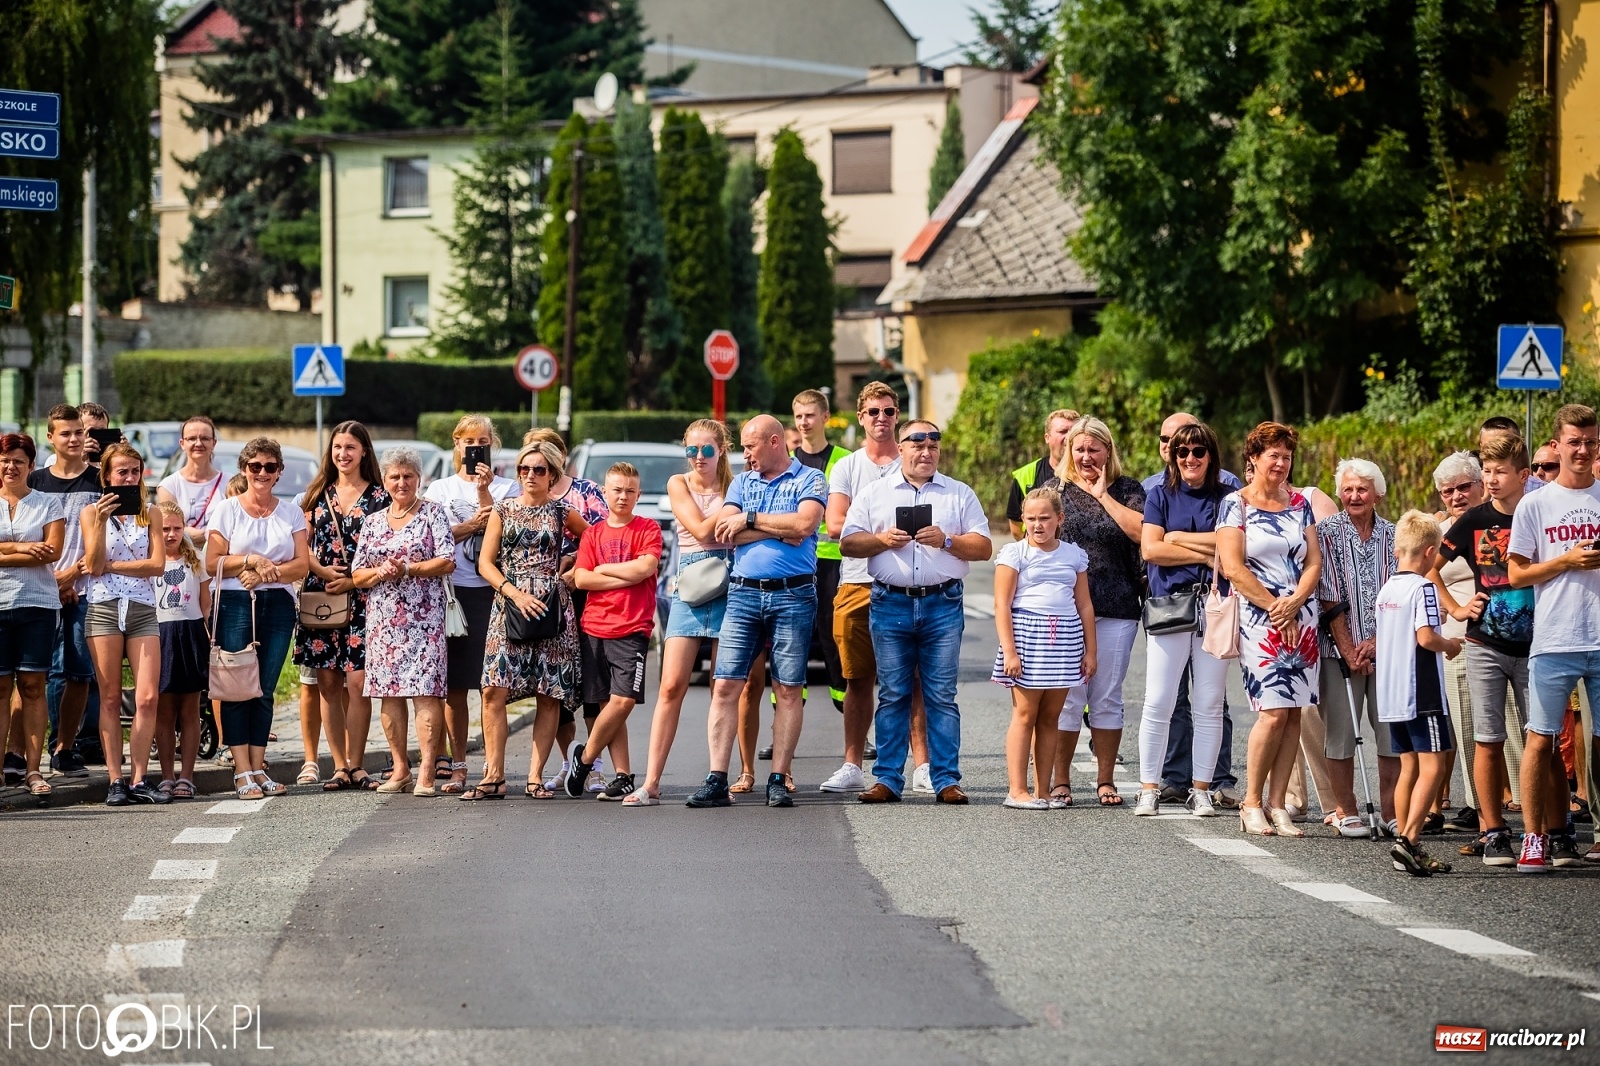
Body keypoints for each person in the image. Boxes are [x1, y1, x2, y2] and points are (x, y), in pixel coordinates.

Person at [842, 418, 992, 804]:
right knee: (893, 693)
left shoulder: (958, 493)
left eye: (933, 446)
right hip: (890, 601)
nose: (926, 452)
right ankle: (888, 780)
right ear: (902, 447)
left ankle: (945, 780)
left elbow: (983, 546)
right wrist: (880, 540)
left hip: (942, 602)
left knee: (941, 694)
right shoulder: (876, 493)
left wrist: (948, 540)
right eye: (917, 444)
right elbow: (848, 542)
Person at [686, 414, 826, 810]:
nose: (744, 454)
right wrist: (778, 528)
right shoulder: (743, 482)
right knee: (726, 685)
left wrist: (750, 519)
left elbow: (804, 523)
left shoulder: (810, 479)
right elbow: (721, 531)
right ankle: (717, 777)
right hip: (744, 594)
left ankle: (778, 778)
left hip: (794, 595)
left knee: (787, 689)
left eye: (751, 446)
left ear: (776, 442)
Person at [822, 382, 929, 794]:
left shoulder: (914, 459)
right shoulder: (848, 466)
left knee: (914, 677)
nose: (880, 419)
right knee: (858, 678)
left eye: (888, 411)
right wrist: (885, 533)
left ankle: (921, 766)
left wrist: (870, 525)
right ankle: (852, 763)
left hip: (906, 582)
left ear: (897, 415)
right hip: (857, 581)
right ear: (861, 418)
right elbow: (836, 525)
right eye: (872, 412)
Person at [1507, 403, 1600, 872]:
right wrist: (1566, 561)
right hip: (1555, 639)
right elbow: (1516, 573)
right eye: (1574, 442)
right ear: (1557, 445)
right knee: (1540, 741)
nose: (1582, 450)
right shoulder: (1536, 504)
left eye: (1590, 441)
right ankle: (1534, 838)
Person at [1219, 422, 1323, 836]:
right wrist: (1278, 608)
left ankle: (1279, 804)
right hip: (1261, 619)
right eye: (1272, 456)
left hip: (1303, 613)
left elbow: (1314, 560)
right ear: (1254, 460)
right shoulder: (1235, 504)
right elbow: (1233, 567)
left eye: (1286, 456)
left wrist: (1297, 602)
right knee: (1273, 711)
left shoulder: (1301, 502)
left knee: (1295, 711)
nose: (1280, 463)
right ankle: (1251, 802)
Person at [624, 420, 735, 807]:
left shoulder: (738, 485)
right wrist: (733, 518)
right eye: (692, 450)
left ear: (722, 449)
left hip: (730, 585)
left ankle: (727, 776)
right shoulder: (678, 483)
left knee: (728, 687)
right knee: (671, 685)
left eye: (707, 450)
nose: (699, 457)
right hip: (689, 587)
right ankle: (651, 782)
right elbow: (703, 532)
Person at [1432, 434, 1531, 865]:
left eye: (1496, 472)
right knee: (1485, 737)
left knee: (1535, 739)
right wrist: (1456, 606)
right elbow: (1427, 567)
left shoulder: (1535, 513)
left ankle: (1545, 829)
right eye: (1485, 472)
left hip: (1535, 642)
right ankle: (1492, 828)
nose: (1489, 480)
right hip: (1478, 640)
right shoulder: (1470, 521)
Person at [475, 440, 590, 800]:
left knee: (548, 692)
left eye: (539, 470)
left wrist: (572, 569)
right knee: (493, 688)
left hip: (552, 607)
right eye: (524, 469)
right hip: (509, 603)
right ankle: (494, 774)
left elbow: (593, 540)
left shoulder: (562, 512)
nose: (530, 475)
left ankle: (535, 776)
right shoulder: (503, 510)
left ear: (553, 475)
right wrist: (514, 593)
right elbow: (485, 563)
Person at [1043, 417, 1146, 808]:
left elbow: (1141, 533)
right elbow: (1036, 540)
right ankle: (1061, 781)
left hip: (1117, 605)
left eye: (1094, 449)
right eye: (1079, 449)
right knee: (1069, 697)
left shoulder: (1129, 489)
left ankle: (1105, 780)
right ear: (1069, 451)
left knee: (1106, 697)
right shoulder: (1055, 490)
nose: (1086, 457)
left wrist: (1103, 496)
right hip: (1065, 610)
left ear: (1108, 451)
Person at [1144, 413, 1243, 808]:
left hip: (1215, 605)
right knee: (1159, 700)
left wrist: (1179, 537)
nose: (1189, 457)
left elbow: (1233, 550)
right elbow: (1151, 549)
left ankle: (1201, 790)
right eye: (1181, 451)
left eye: (1198, 451)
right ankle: (1149, 788)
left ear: (1210, 454)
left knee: (1209, 701)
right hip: (1170, 604)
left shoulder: (1227, 497)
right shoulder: (1159, 494)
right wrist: (1209, 549)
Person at [206, 437, 310, 800]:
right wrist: (252, 561)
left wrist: (268, 573)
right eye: (255, 467)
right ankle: (241, 770)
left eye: (269, 467)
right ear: (244, 470)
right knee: (238, 687)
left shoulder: (290, 513)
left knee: (264, 687)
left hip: (278, 604)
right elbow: (212, 560)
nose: (262, 473)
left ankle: (259, 765)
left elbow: (301, 564)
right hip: (235, 602)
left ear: (279, 472)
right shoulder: (227, 510)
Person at [347, 447, 454, 796]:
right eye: (394, 476)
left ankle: (426, 767)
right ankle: (400, 767)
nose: (401, 482)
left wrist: (407, 568)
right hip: (383, 622)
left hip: (424, 620)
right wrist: (380, 572)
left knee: (424, 693)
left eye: (408, 475)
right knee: (388, 695)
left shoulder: (432, 513)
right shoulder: (373, 521)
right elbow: (357, 574)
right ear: (384, 480)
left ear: (419, 478)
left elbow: (447, 561)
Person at [293, 421, 388, 792]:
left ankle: (358, 761)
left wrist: (354, 579)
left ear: (364, 451)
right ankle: (339, 765)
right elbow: (301, 546)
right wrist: (319, 568)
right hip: (323, 595)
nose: (343, 454)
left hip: (364, 595)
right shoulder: (317, 494)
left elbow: (386, 552)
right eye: (337, 447)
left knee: (358, 681)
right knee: (327, 683)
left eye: (350, 447)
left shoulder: (381, 497)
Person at [426, 415, 516, 794]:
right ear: (457, 443)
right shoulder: (438, 489)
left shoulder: (509, 487)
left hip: (493, 593)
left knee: (493, 687)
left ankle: (494, 770)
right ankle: (459, 766)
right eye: (469, 441)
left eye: (483, 441)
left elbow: (509, 535)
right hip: (451, 593)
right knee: (455, 687)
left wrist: (484, 494)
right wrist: (467, 527)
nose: (475, 447)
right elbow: (429, 537)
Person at [523, 428, 613, 793]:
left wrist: (576, 561)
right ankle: (566, 763)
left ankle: (595, 764)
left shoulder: (586, 493)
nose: (535, 470)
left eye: (545, 457)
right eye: (530, 460)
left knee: (592, 685)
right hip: (543, 604)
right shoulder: (524, 495)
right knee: (553, 688)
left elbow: (603, 535)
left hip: (582, 597)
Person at [565, 462, 663, 799]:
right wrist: (621, 572)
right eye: (616, 490)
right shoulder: (593, 534)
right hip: (593, 627)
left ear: (638, 494)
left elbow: (646, 567)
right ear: (605, 492)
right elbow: (582, 578)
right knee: (602, 702)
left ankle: (585, 758)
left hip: (632, 627)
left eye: (630, 491)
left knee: (622, 702)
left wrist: (603, 569)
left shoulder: (647, 528)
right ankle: (622, 774)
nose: (623, 496)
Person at [993, 487, 1093, 809]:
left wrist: (1090, 651)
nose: (1037, 525)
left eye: (1045, 518)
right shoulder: (1015, 554)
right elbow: (1002, 605)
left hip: (1064, 641)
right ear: (1023, 520)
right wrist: (1010, 651)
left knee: (1051, 717)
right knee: (1025, 714)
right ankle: (1016, 790)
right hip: (1026, 639)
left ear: (1059, 519)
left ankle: (1043, 791)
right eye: (1031, 518)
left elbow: (1085, 605)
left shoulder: (1073, 555)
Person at [1317, 458, 1400, 837]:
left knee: (1389, 732)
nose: (1354, 496)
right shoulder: (1326, 533)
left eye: (1362, 489)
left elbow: (1401, 592)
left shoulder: (1394, 535)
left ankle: (1392, 811)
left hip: (1388, 650)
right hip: (1338, 652)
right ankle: (1345, 809)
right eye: (1348, 489)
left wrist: (1378, 643)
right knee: (1341, 733)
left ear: (1378, 494)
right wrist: (1350, 649)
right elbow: (1329, 596)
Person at [83, 443, 168, 806]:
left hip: (142, 607)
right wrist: (102, 523)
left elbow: (158, 565)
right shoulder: (91, 512)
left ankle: (139, 777)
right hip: (103, 606)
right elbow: (92, 562)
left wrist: (114, 567)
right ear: (107, 476)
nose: (130, 478)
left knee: (147, 697)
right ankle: (115, 779)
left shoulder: (151, 513)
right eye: (122, 472)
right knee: (111, 697)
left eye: (135, 471)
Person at [1379, 511, 1463, 876]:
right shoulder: (1424, 587)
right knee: (1435, 762)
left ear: (1399, 549)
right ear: (1431, 553)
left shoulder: (1388, 588)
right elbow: (1426, 637)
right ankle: (1408, 840)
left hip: (1391, 690)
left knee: (1408, 766)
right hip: (1421, 689)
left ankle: (1406, 840)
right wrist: (1451, 644)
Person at [30, 405, 100, 776]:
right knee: (32, 673)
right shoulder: (36, 481)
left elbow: (105, 539)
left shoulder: (100, 480)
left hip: (85, 589)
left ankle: (64, 747)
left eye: (78, 432)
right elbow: (27, 533)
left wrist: (72, 576)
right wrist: (54, 580)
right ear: (51, 437)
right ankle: (22, 753)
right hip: (40, 588)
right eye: (66, 433)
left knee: (78, 671)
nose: (74, 439)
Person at [0, 433, 64, 799]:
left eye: (18, 461)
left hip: (37, 603)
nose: (11, 466)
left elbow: (51, 551)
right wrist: (23, 545)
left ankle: (33, 769)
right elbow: (37, 549)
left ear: (30, 466)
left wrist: (4, 552)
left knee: (33, 687)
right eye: (5, 460)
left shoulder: (47, 503)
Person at [791, 389, 852, 714]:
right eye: (799, 416)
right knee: (793, 642)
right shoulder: (787, 460)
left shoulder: (845, 459)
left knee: (834, 640)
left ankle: (850, 726)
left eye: (810, 415)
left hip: (834, 564)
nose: (804, 422)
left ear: (826, 417)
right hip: (797, 562)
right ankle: (781, 726)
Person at [152, 501, 209, 799]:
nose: (171, 534)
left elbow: (205, 601)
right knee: (164, 708)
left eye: (177, 528)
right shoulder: (149, 559)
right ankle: (166, 775)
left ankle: (187, 775)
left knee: (189, 708)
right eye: (164, 529)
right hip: (159, 634)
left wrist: (204, 632)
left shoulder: (194, 560)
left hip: (190, 632)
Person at [1007, 409, 1078, 541]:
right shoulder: (1025, 475)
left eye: (1073, 432)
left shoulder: (1089, 474)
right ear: (1047, 437)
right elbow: (1016, 527)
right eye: (1062, 431)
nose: (1068, 437)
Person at [157, 415, 226, 545]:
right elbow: (169, 530)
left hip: (219, 561)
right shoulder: (168, 486)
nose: (198, 444)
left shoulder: (229, 483)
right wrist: (215, 533)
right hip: (184, 560)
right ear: (182, 444)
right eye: (192, 439)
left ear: (214, 443)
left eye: (205, 438)